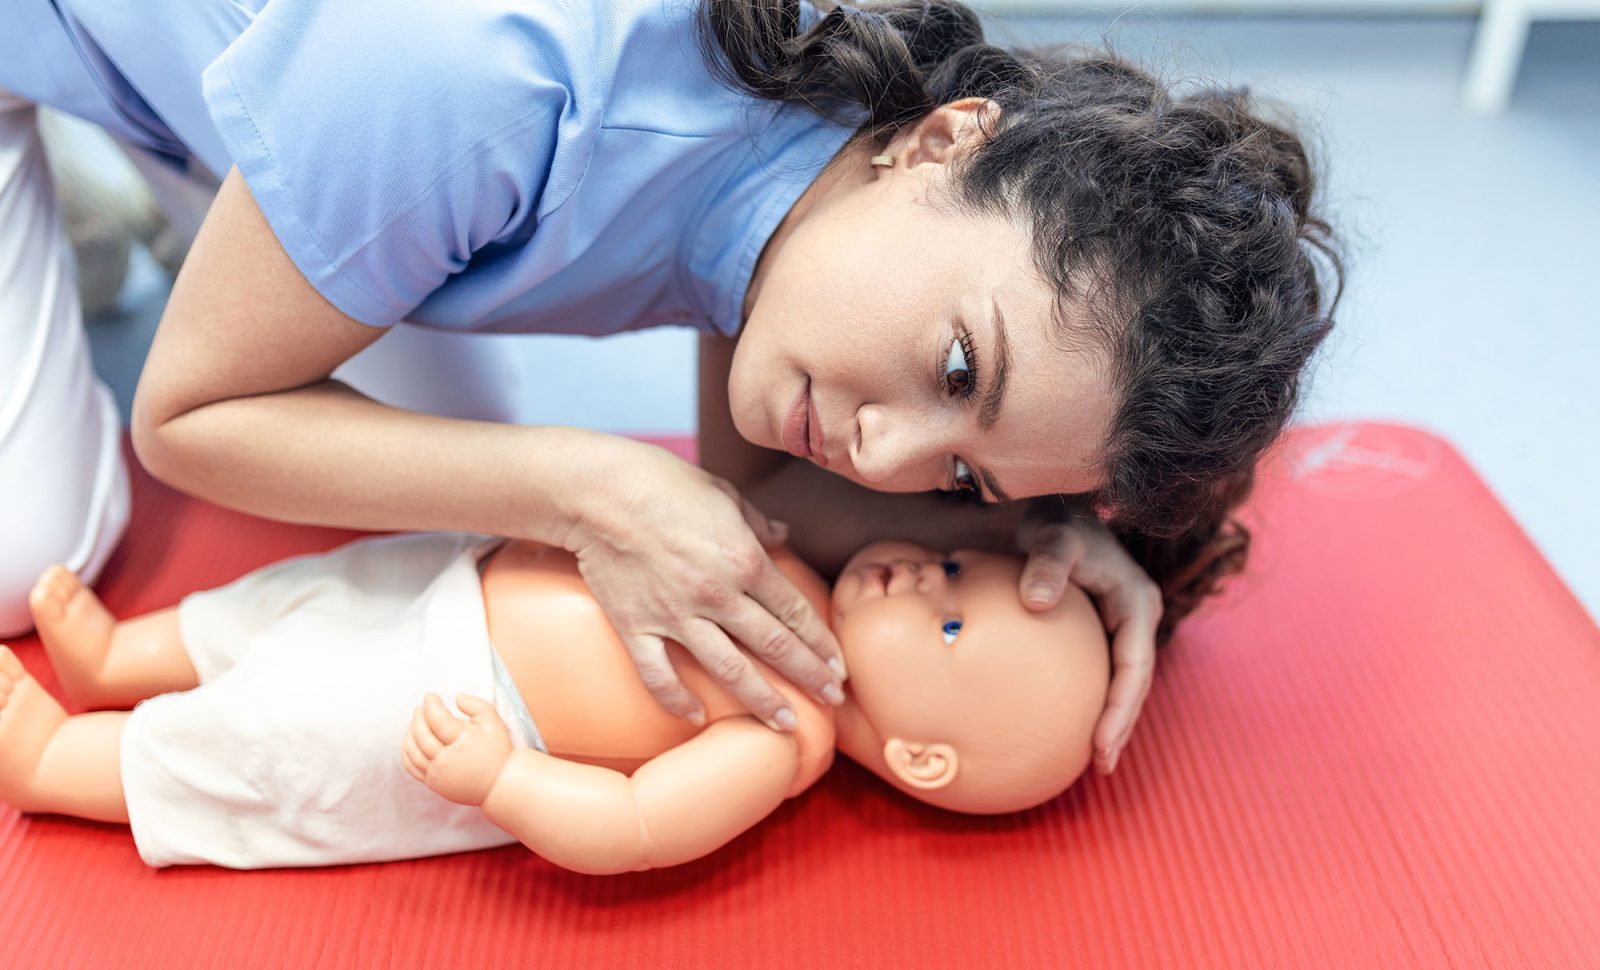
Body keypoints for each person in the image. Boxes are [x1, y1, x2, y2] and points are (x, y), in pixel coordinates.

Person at [0, 0, 1343, 777]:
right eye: (955, 369)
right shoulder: (484, 74)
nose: (878, 455)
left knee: (418, 456)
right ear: (944, 140)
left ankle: (192, 165)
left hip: (339, 105)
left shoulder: (831, 185)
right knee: (27, 551)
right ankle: (113, 149)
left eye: (961, 470)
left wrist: (1047, 547)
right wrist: (584, 483)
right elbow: (184, 420)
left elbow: (761, 498)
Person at [0, 531, 1109, 872]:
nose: (929, 579)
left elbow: (632, 829)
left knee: (278, 743)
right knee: (280, 600)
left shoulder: (786, 737)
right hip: (453, 572)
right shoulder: (808, 566)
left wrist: (503, 778)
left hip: (460, 697)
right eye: (960, 565)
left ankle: (67, 764)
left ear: (920, 756)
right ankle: (123, 659)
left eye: (950, 622)